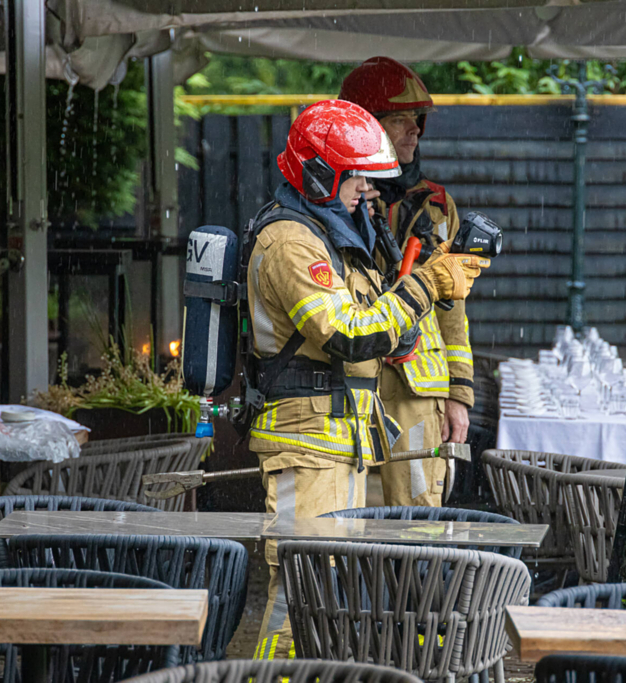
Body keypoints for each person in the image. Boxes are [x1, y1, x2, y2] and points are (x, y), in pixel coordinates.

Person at [249, 99, 489, 660]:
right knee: (298, 600)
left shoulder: (333, 236)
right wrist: (426, 286)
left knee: (330, 600)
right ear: (318, 174)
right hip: (307, 446)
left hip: (340, 442)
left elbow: (385, 332)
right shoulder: (290, 243)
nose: (368, 190)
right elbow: (349, 335)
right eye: (357, 178)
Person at [339, 57, 475, 507]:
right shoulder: (329, 205)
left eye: (417, 120)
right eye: (399, 119)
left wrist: (459, 394)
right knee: (342, 525)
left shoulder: (436, 206)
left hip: (419, 391)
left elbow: (452, 309)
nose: (414, 130)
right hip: (350, 384)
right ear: (365, 126)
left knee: (418, 530)